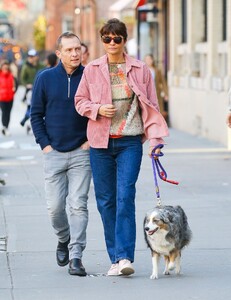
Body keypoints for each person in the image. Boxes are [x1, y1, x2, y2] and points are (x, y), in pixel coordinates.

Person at [75, 18, 169, 276]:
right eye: (107, 38)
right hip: (100, 142)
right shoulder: (92, 69)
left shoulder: (140, 69)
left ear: (124, 40)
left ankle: (125, 257)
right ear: (102, 40)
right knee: (106, 201)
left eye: (117, 38)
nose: (112, 43)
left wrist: (156, 141)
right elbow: (80, 101)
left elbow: (152, 107)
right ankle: (115, 257)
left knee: (125, 196)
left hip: (130, 141)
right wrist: (97, 109)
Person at [30, 32, 91, 276]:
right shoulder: (44, 78)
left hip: (81, 153)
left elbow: (96, 111)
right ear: (59, 53)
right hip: (53, 152)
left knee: (78, 205)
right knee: (55, 208)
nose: (75, 54)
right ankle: (63, 238)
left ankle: (76, 256)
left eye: (78, 49)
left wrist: (88, 141)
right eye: (69, 50)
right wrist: (45, 145)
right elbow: (36, 114)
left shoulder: (89, 75)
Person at [20, 52, 58, 132]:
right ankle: (27, 123)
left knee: (32, 108)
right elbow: (23, 79)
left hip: (37, 91)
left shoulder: (41, 68)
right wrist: (27, 85)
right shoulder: (27, 67)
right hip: (33, 90)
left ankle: (26, 121)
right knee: (33, 108)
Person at [144, 53, 169, 122]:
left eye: (149, 59)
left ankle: (157, 123)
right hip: (146, 94)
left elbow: (163, 82)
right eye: (147, 59)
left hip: (156, 93)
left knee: (158, 110)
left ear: (152, 60)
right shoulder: (143, 70)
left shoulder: (157, 70)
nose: (148, 61)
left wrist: (166, 93)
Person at [0, 60, 16, 136]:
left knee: (8, 113)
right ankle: (4, 127)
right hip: (2, 98)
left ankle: (6, 127)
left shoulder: (11, 75)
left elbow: (16, 85)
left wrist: (13, 91)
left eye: (6, 66)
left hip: (10, 97)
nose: (5, 68)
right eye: (4, 66)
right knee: (4, 112)